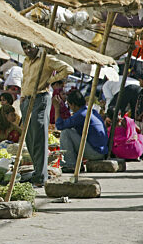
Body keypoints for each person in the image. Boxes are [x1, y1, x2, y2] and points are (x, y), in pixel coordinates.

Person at [21, 42, 73, 187]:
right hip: (27, 99)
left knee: (39, 135)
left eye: (29, 46)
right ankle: (37, 171)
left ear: (36, 46)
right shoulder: (25, 61)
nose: (27, 50)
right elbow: (24, 80)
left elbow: (68, 69)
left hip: (40, 98)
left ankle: (41, 176)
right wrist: (22, 97)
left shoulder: (46, 58)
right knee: (29, 137)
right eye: (24, 48)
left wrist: (49, 81)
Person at [55, 90, 108, 172]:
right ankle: (77, 164)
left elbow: (59, 126)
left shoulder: (81, 114)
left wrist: (57, 108)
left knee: (65, 133)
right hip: (100, 150)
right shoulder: (90, 111)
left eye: (69, 105)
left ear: (73, 105)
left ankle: (70, 165)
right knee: (71, 130)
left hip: (96, 152)